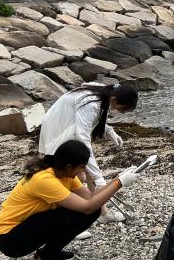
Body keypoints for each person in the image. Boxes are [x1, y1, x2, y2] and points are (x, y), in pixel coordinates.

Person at [0, 140, 141, 260]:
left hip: (25, 228)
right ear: (69, 166)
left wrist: (117, 179)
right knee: (81, 214)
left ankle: (48, 252)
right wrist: (118, 184)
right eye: (81, 167)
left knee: (86, 211)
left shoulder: (64, 173)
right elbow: (88, 207)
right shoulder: (44, 179)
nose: (82, 172)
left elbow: (89, 197)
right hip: (9, 239)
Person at [39, 83, 138, 228]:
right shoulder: (90, 103)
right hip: (58, 130)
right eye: (122, 110)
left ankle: (103, 213)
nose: (121, 113)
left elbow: (95, 120)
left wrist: (110, 132)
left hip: (69, 128)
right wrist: (100, 179)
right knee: (75, 175)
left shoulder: (104, 95)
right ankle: (67, 224)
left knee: (86, 170)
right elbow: (83, 137)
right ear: (115, 100)